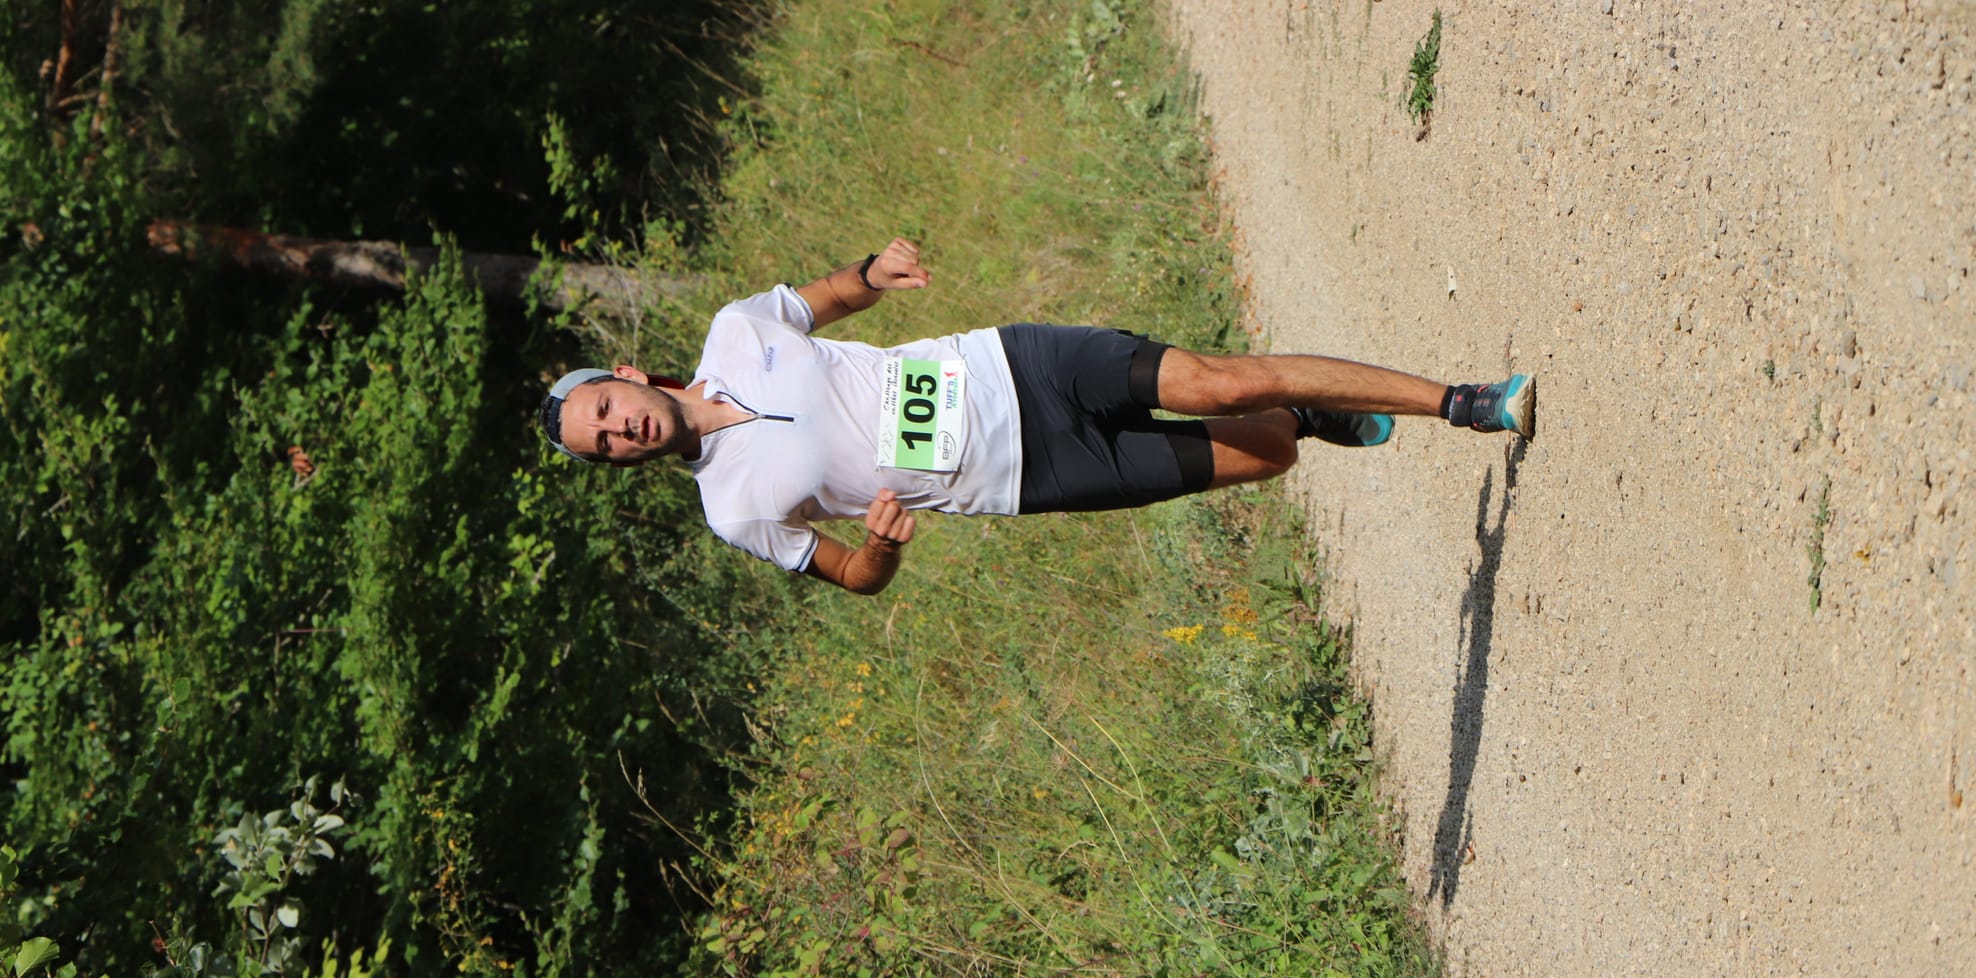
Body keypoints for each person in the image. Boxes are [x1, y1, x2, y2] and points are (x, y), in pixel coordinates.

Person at [537, 238, 1533, 595]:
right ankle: (1307, 414)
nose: (618, 431)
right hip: (1019, 477)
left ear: (625, 376)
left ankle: (1460, 402)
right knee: (1263, 451)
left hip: (1009, 364)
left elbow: (826, 298)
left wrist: (875, 274)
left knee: (1223, 383)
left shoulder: (733, 329)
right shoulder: (729, 510)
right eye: (603, 446)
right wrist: (881, 547)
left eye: (606, 410)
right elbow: (851, 576)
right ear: (618, 462)